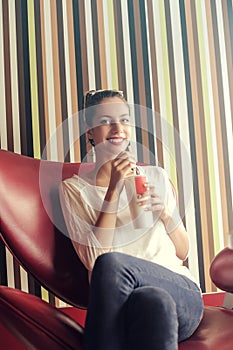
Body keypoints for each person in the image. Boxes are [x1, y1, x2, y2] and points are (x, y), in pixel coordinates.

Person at [59, 90, 204, 350]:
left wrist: (165, 214)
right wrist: (113, 190)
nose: (117, 128)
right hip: (132, 307)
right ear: (89, 130)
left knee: (115, 264)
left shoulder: (155, 176)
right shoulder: (74, 190)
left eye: (124, 120)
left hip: (183, 294)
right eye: (105, 121)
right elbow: (94, 261)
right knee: (153, 301)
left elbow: (183, 251)